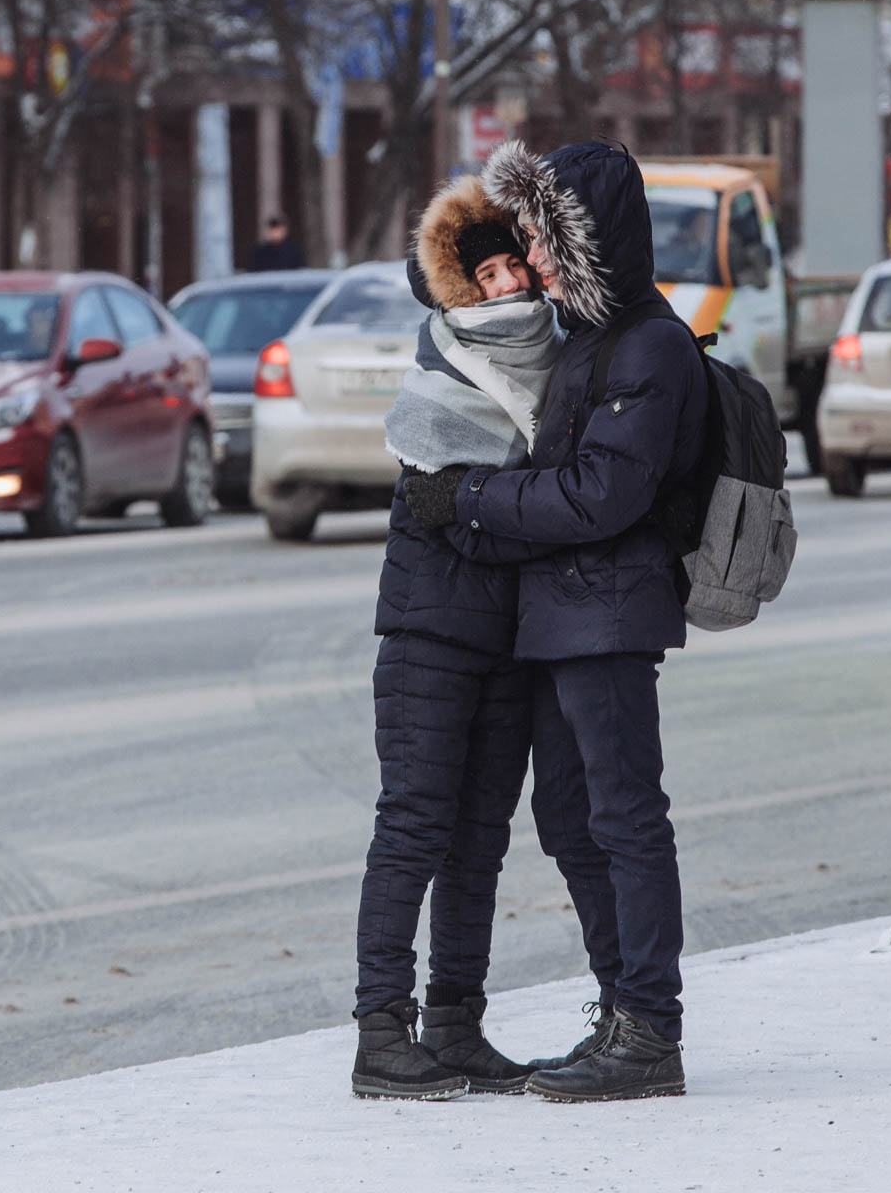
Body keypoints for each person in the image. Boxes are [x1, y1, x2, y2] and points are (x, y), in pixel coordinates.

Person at [402, 139, 708, 1102]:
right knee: (573, 822)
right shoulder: (583, 340)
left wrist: (473, 499)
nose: (526, 254)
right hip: (562, 615)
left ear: (585, 239)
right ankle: (620, 1012)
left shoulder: (649, 346)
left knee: (624, 819)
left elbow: (597, 495)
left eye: (538, 232)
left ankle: (651, 1028)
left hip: (609, 615)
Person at [350, 176, 558, 1101]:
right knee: (415, 829)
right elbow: (435, 508)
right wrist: (512, 511)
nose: (510, 283)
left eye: (517, 263)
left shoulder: (557, 360)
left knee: (481, 839)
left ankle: (457, 1025)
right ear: (458, 284)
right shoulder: (441, 368)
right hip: (431, 635)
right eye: (489, 271)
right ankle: (380, 1034)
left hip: (510, 634)